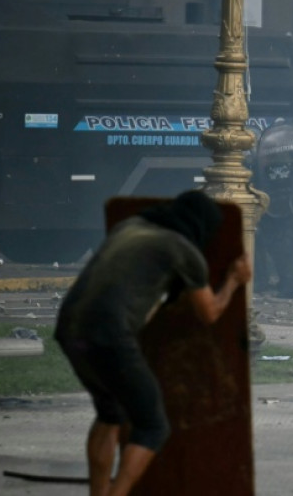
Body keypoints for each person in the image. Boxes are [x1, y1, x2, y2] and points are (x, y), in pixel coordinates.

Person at [53, 190, 252, 496]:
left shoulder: (130, 227)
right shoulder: (183, 249)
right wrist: (234, 281)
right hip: (109, 333)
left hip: (70, 328)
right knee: (152, 426)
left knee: (110, 414)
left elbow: (134, 292)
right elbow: (209, 312)